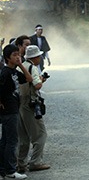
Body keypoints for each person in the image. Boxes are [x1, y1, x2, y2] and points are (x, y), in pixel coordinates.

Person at [0, 44, 32, 179]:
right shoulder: (5, 72)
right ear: (7, 58)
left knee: (5, 141)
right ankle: (10, 171)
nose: (18, 57)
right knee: (12, 140)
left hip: (13, 108)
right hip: (8, 110)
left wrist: (21, 65)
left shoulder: (14, 71)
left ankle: (3, 169)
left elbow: (29, 79)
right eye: (14, 55)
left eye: (18, 54)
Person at [17, 45, 50, 173]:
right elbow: (37, 85)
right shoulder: (33, 68)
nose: (40, 58)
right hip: (30, 103)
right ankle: (35, 162)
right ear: (35, 57)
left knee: (23, 137)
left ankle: (20, 163)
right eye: (39, 56)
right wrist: (42, 80)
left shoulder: (22, 66)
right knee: (40, 134)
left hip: (19, 102)